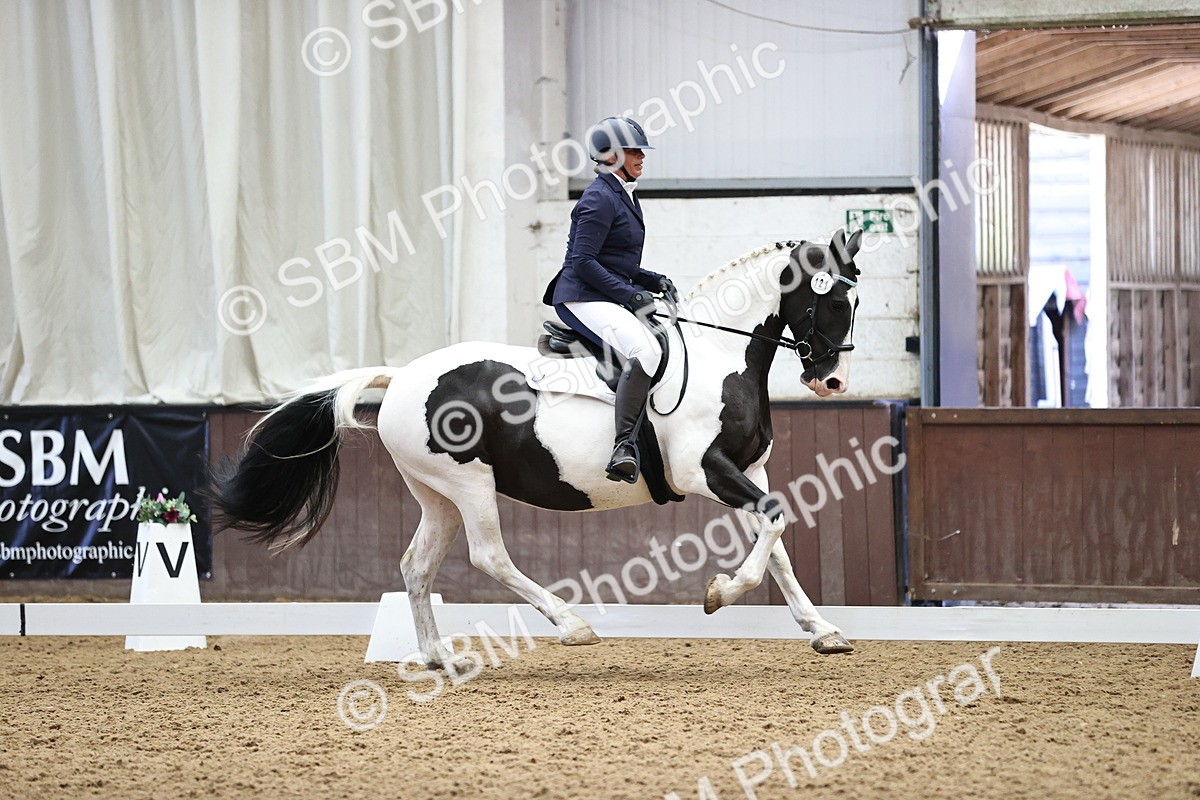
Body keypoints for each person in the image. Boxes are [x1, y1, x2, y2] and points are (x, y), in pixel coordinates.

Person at [541, 116, 679, 483]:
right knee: (645, 352)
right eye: (634, 151)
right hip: (581, 296)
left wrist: (652, 279)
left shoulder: (623, 194)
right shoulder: (599, 198)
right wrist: (632, 295)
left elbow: (615, 260)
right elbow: (583, 263)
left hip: (601, 291)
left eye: (640, 151)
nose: (641, 158)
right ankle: (623, 448)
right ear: (613, 156)